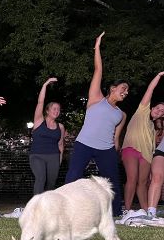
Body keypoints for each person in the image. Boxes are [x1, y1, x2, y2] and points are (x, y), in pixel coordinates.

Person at [64, 32, 127, 216]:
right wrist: (97, 47)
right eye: (124, 88)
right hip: (84, 144)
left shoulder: (121, 114)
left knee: (112, 180)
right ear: (113, 88)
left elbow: (116, 136)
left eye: (128, 90)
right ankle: (64, 209)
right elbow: (98, 70)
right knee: (73, 176)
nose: (126, 92)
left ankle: (116, 213)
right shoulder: (96, 98)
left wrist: (116, 148)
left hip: (106, 149)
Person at [121, 72, 164, 211]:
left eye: (162, 111)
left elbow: (152, 147)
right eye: (158, 108)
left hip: (146, 156)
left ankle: (146, 210)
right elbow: (150, 90)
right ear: (152, 107)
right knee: (132, 179)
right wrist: (158, 76)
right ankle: (126, 210)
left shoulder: (153, 128)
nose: (159, 111)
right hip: (131, 149)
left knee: (143, 183)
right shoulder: (142, 111)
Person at [29, 78, 65, 195]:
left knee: (51, 183)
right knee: (40, 179)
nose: (57, 111)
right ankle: (36, 207)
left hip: (53, 157)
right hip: (37, 155)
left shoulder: (60, 127)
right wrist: (45, 84)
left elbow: (60, 145)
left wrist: (58, 161)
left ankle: (49, 208)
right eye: (54, 108)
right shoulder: (39, 121)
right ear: (47, 111)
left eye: (58, 109)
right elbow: (40, 102)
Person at [140, 72, 164, 218]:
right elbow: (150, 90)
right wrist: (159, 76)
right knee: (157, 177)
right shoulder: (153, 122)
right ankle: (151, 213)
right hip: (161, 152)